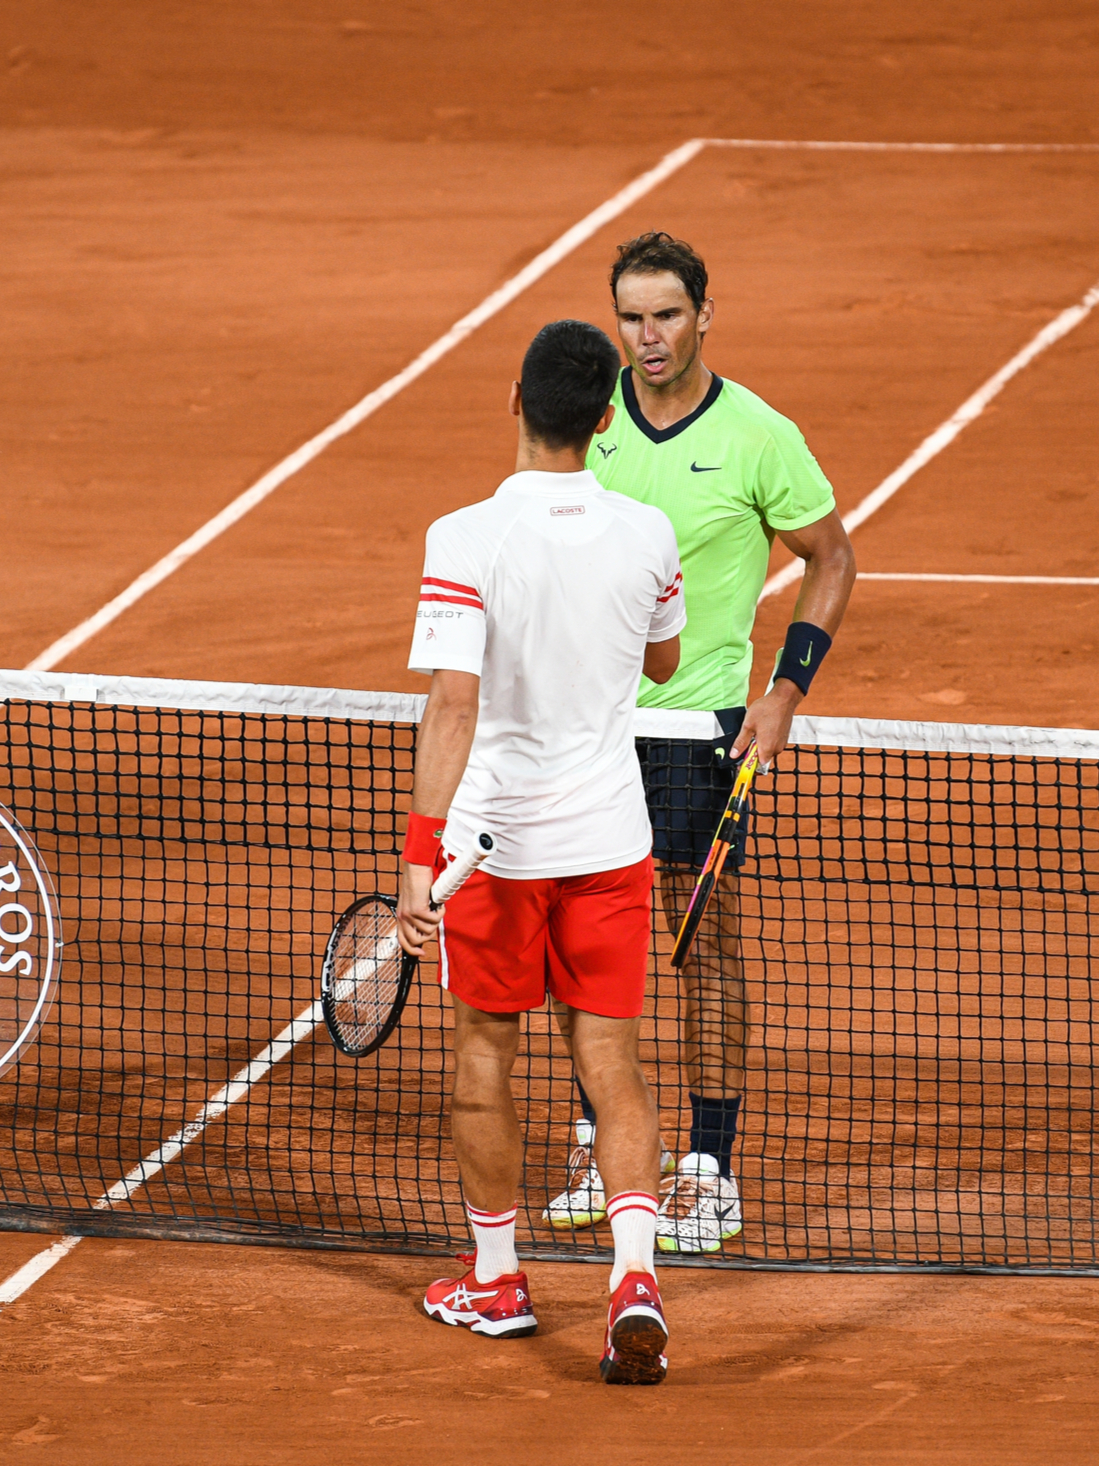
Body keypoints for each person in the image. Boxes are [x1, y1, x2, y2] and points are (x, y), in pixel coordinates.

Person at [543, 232, 857, 1254]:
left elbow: (829, 558)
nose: (647, 337)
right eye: (630, 317)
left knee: (703, 945)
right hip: (587, 722)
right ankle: (596, 1136)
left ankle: (709, 1168)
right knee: (574, 939)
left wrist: (785, 691)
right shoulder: (587, 428)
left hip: (701, 725)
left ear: (704, 316)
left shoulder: (761, 434)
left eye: (667, 315)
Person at [398, 317, 686, 1386]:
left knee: (486, 1058)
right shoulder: (648, 533)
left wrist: (420, 863)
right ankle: (632, 1280)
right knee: (612, 1068)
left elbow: (452, 705)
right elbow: (660, 660)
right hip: (611, 843)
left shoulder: (464, 538)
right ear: (605, 420)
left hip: (494, 853)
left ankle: (497, 1280)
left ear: (512, 402)